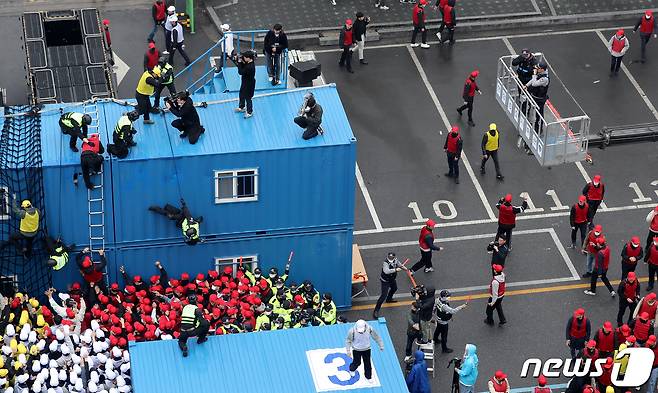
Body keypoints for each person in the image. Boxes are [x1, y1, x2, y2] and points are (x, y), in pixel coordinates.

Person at [373, 252, 407, 319]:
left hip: (392, 279)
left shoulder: (395, 260)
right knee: (383, 296)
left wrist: (406, 269)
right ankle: (376, 310)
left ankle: (389, 299)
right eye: (389, 257)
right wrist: (395, 270)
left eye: (392, 257)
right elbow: (386, 271)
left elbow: (400, 265)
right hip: (385, 281)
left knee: (394, 288)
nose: (390, 258)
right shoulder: (385, 263)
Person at [524, 60, 549, 134]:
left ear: (542, 69)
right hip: (535, 96)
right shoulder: (540, 73)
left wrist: (534, 74)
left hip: (540, 99)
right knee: (532, 108)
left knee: (539, 114)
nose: (536, 69)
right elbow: (532, 80)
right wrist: (526, 85)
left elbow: (534, 83)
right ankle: (532, 121)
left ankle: (539, 128)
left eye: (538, 68)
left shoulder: (545, 79)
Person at [233, 51, 255, 118]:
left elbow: (241, 72)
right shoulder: (248, 62)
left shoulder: (250, 67)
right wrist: (239, 61)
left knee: (248, 98)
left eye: (245, 57)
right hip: (245, 82)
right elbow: (242, 66)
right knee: (241, 94)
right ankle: (242, 107)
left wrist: (239, 62)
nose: (244, 58)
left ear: (249, 58)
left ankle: (249, 112)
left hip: (249, 84)